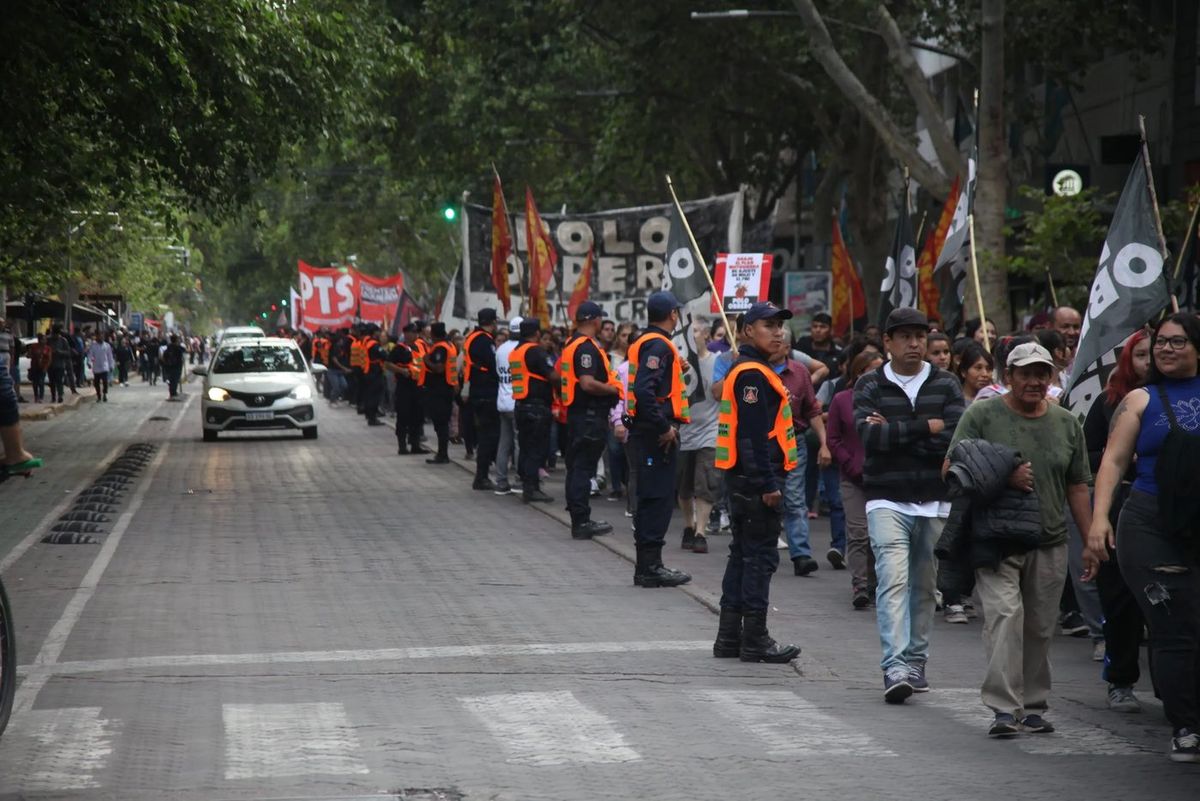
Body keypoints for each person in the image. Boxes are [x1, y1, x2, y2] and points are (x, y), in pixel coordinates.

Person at [948, 341, 1093, 738]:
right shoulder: (981, 414)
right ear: (1007, 377)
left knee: (1040, 627)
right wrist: (1003, 475)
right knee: (1004, 618)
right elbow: (951, 465)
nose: (1034, 381)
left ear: (1051, 377)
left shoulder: (1066, 422)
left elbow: (1078, 484)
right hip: (996, 539)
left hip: (1050, 539)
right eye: (1025, 373)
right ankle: (1002, 707)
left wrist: (1091, 538)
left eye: (1041, 373)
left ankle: (1032, 705)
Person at [1091, 313, 1200, 762]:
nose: (1166, 349)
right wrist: (1100, 519)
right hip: (1150, 525)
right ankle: (1187, 727)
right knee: (1175, 628)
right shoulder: (1139, 399)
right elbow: (1113, 463)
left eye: (1177, 342)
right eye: (1161, 343)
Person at [855, 307, 964, 703]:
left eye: (920, 335)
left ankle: (916, 659)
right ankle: (894, 665)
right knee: (892, 580)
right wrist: (924, 428)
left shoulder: (947, 384)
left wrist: (896, 432)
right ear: (888, 342)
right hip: (886, 497)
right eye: (904, 336)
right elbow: (869, 440)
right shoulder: (869, 384)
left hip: (934, 501)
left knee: (925, 585)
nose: (914, 343)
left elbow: (954, 438)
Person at [712, 301, 802, 663]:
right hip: (755, 482)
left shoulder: (751, 369)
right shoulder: (752, 373)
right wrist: (767, 484)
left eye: (780, 325)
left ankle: (730, 638)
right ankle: (755, 640)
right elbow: (753, 436)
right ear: (746, 330)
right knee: (759, 560)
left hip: (743, 479)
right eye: (768, 324)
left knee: (743, 556)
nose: (778, 331)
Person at [1082, 328, 1150, 714]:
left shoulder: (1180, 399)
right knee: (1121, 599)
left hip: (1167, 507)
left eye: (1151, 354)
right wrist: (1120, 456)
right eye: (1140, 355)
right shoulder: (1110, 403)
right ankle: (1120, 680)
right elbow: (1088, 455)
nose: (1148, 362)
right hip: (1120, 502)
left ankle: (1173, 687)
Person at [626, 290, 692, 588]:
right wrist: (664, 426)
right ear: (673, 315)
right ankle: (651, 567)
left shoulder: (644, 341)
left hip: (645, 430)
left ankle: (647, 566)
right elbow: (644, 391)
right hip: (656, 435)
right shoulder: (659, 345)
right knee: (658, 498)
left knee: (652, 496)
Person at [559, 302, 622, 538]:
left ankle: (578, 516)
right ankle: (581, 521)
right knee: (583, 469)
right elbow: (586, 383)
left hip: (579, 415)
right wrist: (612, 390)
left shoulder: (571, 343)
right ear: (595, 320)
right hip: (588, 416)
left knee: (576, 468)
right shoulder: (585, 347)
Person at [772, 328, 830, 576]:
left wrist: (824, 443)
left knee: (795, 498)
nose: (773, 345)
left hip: (794, 441)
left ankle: (801, 554)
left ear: (787, 348)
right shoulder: (754, 371)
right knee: (768, 497)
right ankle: (763, 549)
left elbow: (812, 410)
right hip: (764, 443)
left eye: (779, 342)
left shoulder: (800, 372)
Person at [828, 350, 883, 609]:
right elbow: (833, 439)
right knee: (859, 532)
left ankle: (876, 582)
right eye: (873, 370)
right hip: (852, 477)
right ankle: (860, 584)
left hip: (882, 475)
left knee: (879, 535)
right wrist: (849, 463)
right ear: (859, 373)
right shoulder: (841, 400)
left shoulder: (888, 401)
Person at [675, 319, 719, 554]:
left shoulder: (718, 363)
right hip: (684, 432)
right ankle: (689, 526)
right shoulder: (679, 365)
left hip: (710, 432)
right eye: (688, 333)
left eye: (696, 332)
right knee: (683, 486)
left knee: (706, 482)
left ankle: (701, 532)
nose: (692, 337)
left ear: (707, 336)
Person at [510, 319, 555, 503]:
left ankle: (528, 485)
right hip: (536, 407)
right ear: (537, 333)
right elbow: (552, 375)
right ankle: (532, 489)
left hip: (521, 405)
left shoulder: (516, 352)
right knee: (536, 449)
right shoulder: (535, 351)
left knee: (527, 448)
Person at [464, 309, 501, 490]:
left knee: (487, 435)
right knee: (488, 436)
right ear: (492, 322)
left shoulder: (474, 337)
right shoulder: (484, 340)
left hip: (479, 391)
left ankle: (483, 474)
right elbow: (492, 365)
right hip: (486, 393)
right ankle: (481, 477)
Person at [385, 323, 427, 453]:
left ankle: (415, 445)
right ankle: (402, 446)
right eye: (413, 332)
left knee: (417, 417)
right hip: (404, 387)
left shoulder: (420, 347)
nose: (415, 335)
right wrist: (402, 371)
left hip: (419, 387)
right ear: (406, 333)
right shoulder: (399, 348)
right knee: (403, 416)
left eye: (416, 332)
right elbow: (387, 364)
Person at [493, 317, 522, 493]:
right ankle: (519, 480)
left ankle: (501, 481)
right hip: (516, 401)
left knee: (504, 443)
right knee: (519, 443)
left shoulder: (501, 349)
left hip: (502, 401)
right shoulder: (521, 350)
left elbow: (499, 373)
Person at [421, 322, 457, 464]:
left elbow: (439, 368)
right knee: (443, 423)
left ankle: (442, 455)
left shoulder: (440, 348)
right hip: (447, 388)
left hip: (440, 390)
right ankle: (442, 453)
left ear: (434, 334)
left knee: (440, 423)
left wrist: (426, 360)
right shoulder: (450, 345)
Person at [793, 311, 841, 379]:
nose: (818, 330)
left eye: (823, 327)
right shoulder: (801, 347)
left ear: (831, 330)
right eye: (815, 326)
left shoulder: (837, 353)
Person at [86, 331, 114, 402]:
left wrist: (111, 365)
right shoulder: (93, 346)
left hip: (105, 367)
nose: (101, 337)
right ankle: (98, 395)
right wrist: (89, 362)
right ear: (97, 337)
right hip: (96, 367)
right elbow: (90, 355)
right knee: (96, 383)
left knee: (105, 382)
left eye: (102, 336)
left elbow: (110, 356)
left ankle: (104, 394)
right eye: (99, 336)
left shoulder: (107, 345)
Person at [48, 326, 72, 402]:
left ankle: (60, 395)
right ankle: (53, 396)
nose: (54, 336)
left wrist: (60, 352)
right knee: (52, 382)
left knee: (59, 381)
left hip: (60, 364)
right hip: (50, 364)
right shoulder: (49, 340)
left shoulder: (63, 341)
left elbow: (68, 352)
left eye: (56, 334)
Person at [27, 333, 52, 403]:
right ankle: (36, 396)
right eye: (43, 339)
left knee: (41, 382)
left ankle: (41, 397)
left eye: (45, 340)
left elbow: (49, 359)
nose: (44, 341)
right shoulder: (34, 346)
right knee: (35, 383)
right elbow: (29, 355)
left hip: (43, 367)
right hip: (34, 367)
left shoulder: (47, 348)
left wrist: (46, 367)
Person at [161, 334, 186, 399]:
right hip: (177, 366)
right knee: (175, 379)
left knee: (171, 379)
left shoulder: (169, 347)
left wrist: (165, 363)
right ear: (176, 340)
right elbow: (184, 350)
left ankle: (172, 392)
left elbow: (164, 356)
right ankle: (173, 392)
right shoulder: (178, 347)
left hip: (169, 366)